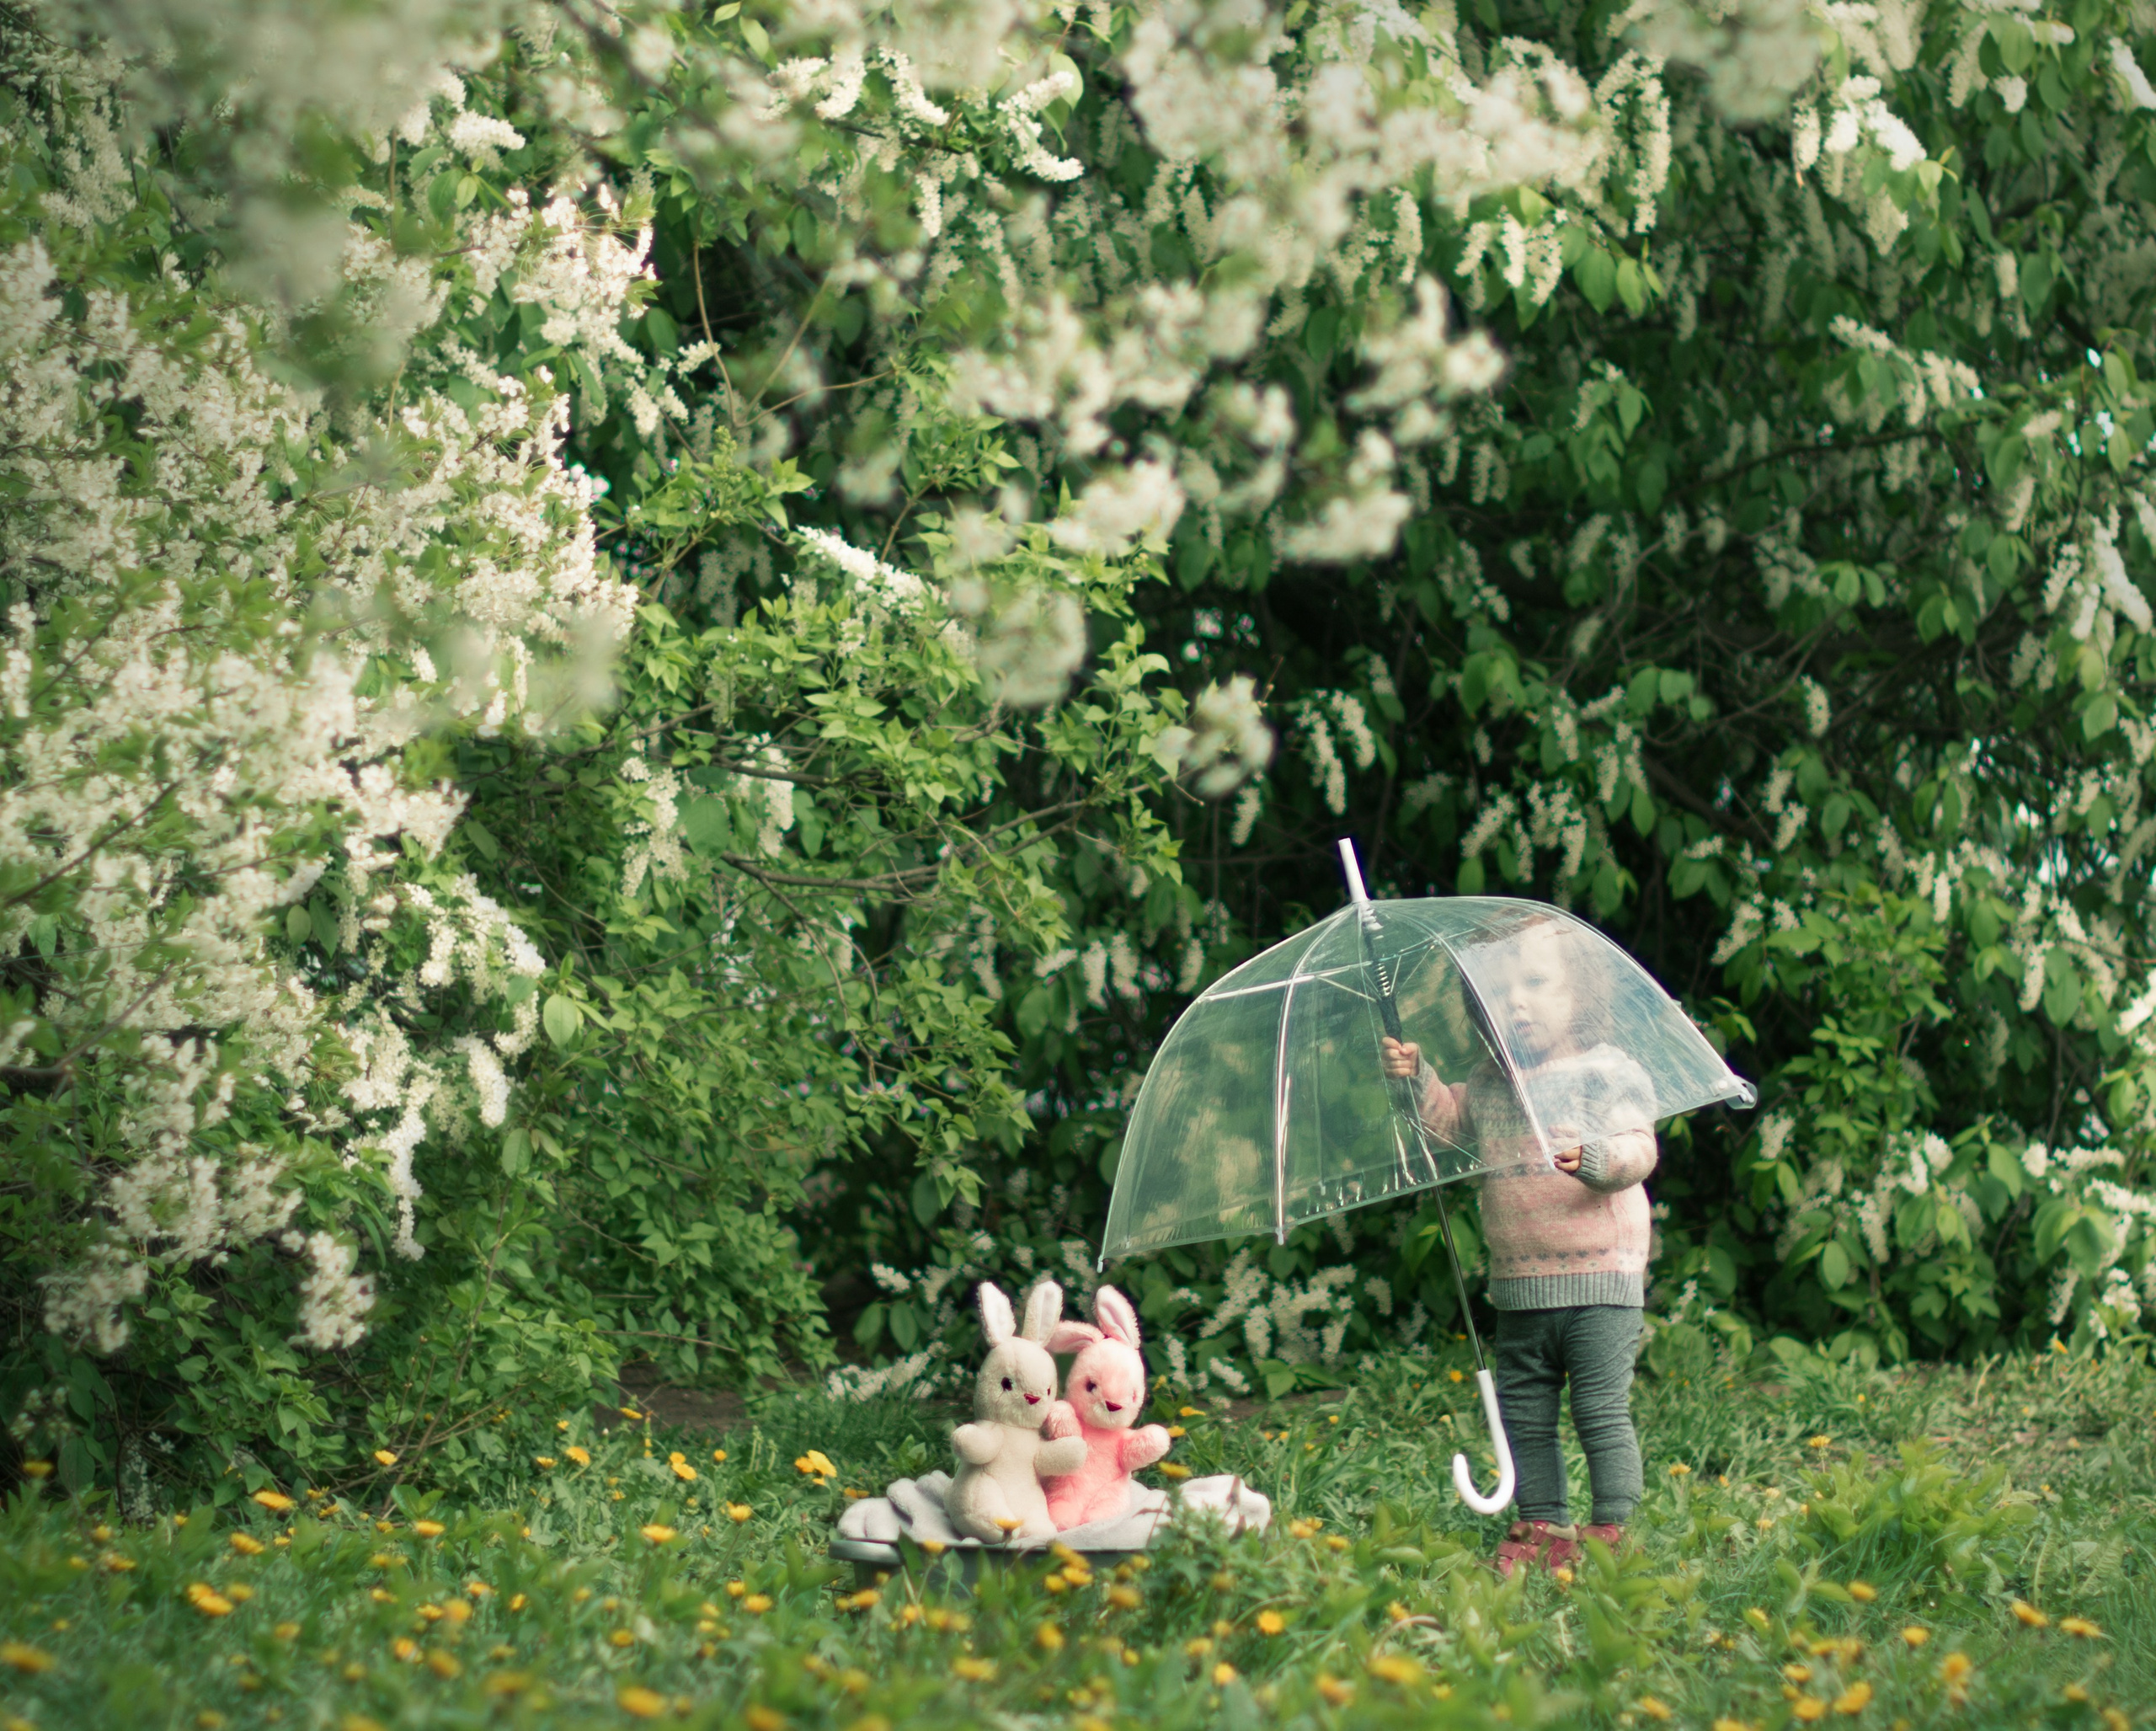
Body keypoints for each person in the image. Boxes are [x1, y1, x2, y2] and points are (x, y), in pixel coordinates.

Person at [1380, 915, 1657, 1577]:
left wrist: (1598, 1158)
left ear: (1579, 995)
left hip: (1600, 1275)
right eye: (1501, 991)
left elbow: (1640, 1148)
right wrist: (1419, 1076)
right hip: (1520, 1283)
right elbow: (1447, 1128)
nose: (1517, 1002)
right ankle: (1541, 1518)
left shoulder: (1604, 1070)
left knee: (1597, 1406)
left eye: (1536, 983)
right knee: (1524, 1412)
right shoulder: (1490, 1079)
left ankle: (1614, 1523)